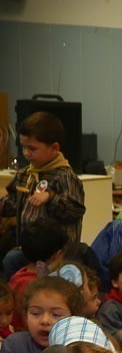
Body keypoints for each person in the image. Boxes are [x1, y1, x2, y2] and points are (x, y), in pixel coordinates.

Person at [1, 112, 87, 276]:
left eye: (32, 148)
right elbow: (14, 203)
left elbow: (75, 209)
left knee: (12, 259)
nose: (26, 153)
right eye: (23, 147)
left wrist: (50, 197)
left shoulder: (65, 177)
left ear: (55, 148)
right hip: (30, 249)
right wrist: (2, 205)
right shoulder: (25, 174)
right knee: (10, 259)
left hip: (57, 254)